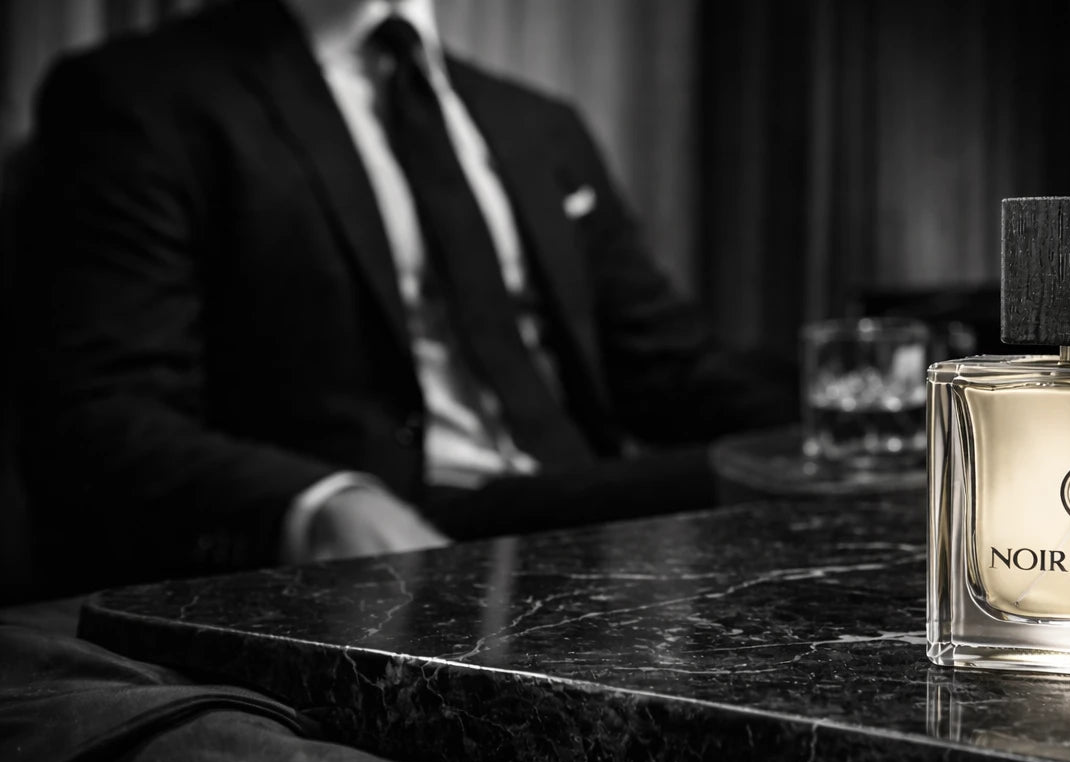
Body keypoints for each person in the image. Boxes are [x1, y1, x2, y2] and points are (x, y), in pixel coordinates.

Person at [17, 0, 796, 595]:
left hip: (577, 504)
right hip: (396, 526)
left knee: (821, 476)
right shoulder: (148, 98)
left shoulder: (536, 122)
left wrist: (836, 412)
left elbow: (669, 369)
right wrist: (317, 501)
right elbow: (103, 407)